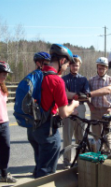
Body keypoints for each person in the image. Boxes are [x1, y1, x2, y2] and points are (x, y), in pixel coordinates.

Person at [31, 44, 79, 178]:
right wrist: (74, 105)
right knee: (46, 173)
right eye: (67, 64)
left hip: (32, 129)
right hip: (48, 131)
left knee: (39, 163)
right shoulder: (57, 80)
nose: (66, 68)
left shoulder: (37, 75)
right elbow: (64, 113)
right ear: (62, 61)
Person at [62, 54, 90, 169]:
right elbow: (62, 95)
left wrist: (71, 94)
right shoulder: (63, 79)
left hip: (80, 108)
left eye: (77, 65)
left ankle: (80, 159)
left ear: (79, 66)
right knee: (67, 135)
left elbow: (87, 96)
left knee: (80, 135)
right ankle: (67, 160)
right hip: (67, 107)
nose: (75, 67)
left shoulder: (83, 79)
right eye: (73, 65)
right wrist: (78, 95)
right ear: (69, 65)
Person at [26, 51, 51, 177]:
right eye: (46, 63)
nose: (48, 65)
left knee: (37, 148)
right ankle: (40, 174)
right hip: (39, 120)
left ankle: (37, 169)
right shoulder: (42, 77)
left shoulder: (29, 77)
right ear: (38, 63)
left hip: (30, 120)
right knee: (42, 148)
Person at [88, 57, 111, 153]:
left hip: (106, 110)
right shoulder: (91, 80)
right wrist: (89, 104)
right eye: (99, 68)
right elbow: (86, 94)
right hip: (95, 111)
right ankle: (98, 153)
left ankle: (109, 154)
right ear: (97, 67)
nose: (101, 70)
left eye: (103, 68)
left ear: (106, 68)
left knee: (107, 135)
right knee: (96, 135)